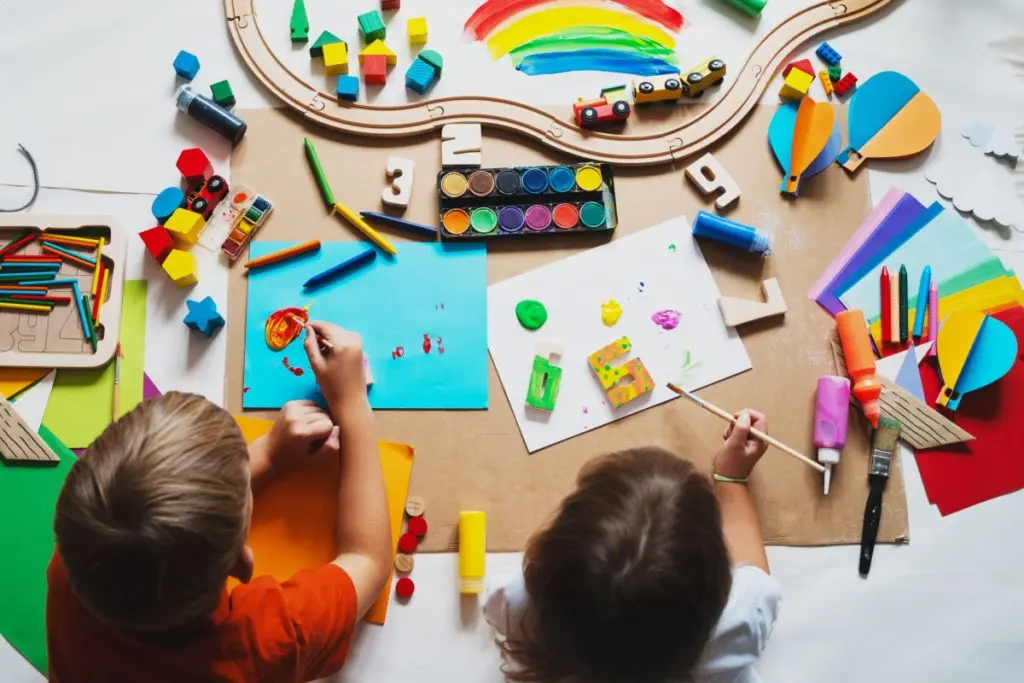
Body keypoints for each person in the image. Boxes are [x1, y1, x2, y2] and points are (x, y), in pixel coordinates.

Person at [47, 322, 390, 683]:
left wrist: (269, 456)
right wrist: (352, 403)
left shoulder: (77, 560)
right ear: (242, 564)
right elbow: (368, 558)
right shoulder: (269, 642)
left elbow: (153, 515)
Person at [485, 410, 782, 683]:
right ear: (720, 575)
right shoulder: (736, 625)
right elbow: (755, 575)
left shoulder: (518, 605)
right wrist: (731, 478)